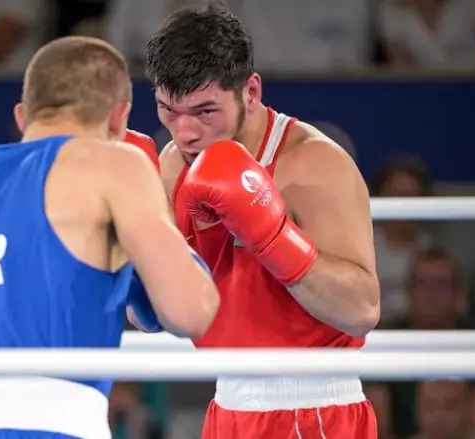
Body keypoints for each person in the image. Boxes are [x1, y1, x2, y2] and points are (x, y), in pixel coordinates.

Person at [0, 35, 220, 439]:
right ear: (119, 119)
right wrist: (160, 231)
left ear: (22, 117)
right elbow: (191, 312)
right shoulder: (115, 163)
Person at [140, 3, 381, 438]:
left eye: (205, 111)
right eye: (168, 111)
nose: (185, 132)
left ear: (250, 92)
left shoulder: (312, 163)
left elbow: (362, 310)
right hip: (227, 404)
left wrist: (271, 236)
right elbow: (148, 319)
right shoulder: (173, 164)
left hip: (315, 407)